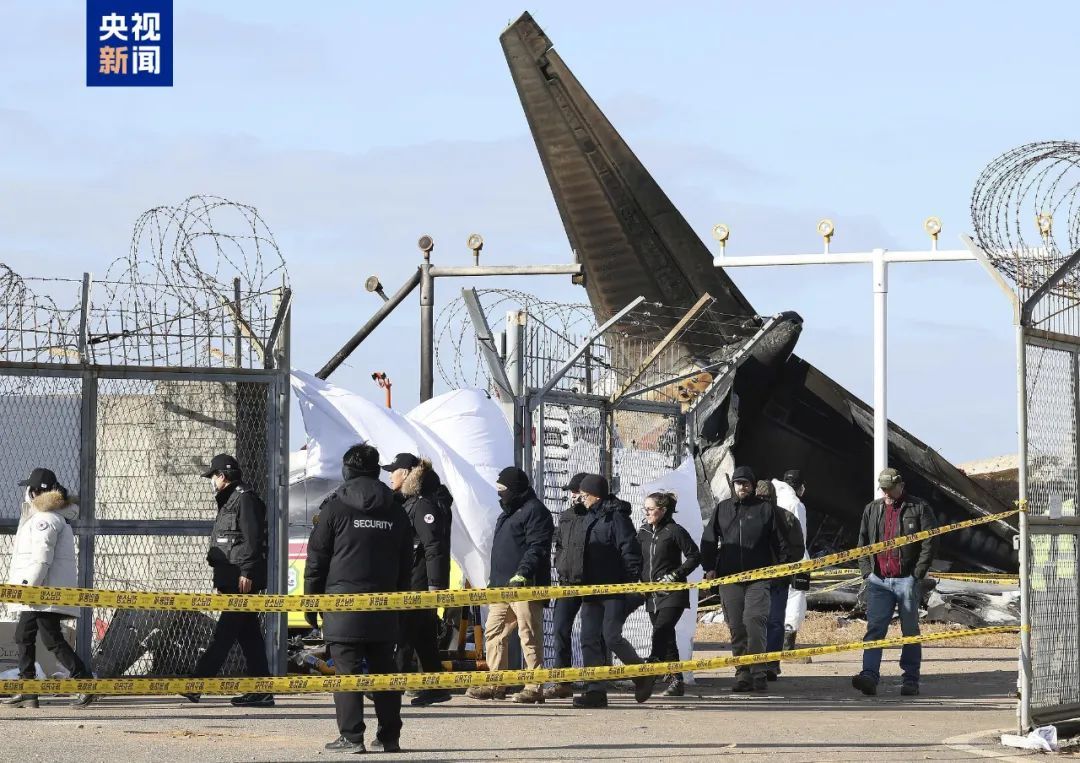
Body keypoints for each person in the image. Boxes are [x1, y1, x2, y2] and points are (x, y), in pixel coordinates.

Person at [306, 443, 413, 754]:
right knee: (385, 670)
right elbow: (407, 561)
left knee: (347, 672)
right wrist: (401, 603)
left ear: (347, 470)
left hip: (342, 606)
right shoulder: (396, 509)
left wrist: (311, 604)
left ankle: (352, 737)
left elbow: (316, 559)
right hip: (384, 605)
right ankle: (390, 736)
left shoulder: (335, 508)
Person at [700, 465, 801, 692]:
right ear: (733, 485)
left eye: (746, 483)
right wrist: (709, 567)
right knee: (736, 626)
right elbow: (708, 540)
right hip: (730, 578)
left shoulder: (766, 510)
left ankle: (758, 671)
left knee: (754, 622)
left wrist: (779, 569)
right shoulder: (722, 509)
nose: (742, 487)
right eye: (738, 483)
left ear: (753, 486)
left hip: (759, 578)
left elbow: (781, 543)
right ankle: (742, 673)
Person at [184, 454, 272, 707]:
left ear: (222, 476)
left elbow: (253, 539)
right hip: (232, 577)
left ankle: (197, 682)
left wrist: (247, 572)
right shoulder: (231, 500)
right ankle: (262, 690)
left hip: (240, 580)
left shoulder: (244, 499)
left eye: (213, 476)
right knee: (249, 637)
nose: (212, 481)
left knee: (223, 635)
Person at [3, 468, 94, 709]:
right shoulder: (47, 516)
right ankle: (28, 689)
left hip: (41, 592)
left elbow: (42, 558)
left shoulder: (45, 519)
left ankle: (84, 682)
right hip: (39, 592)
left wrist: (28, 588)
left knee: (49, 639)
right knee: (26, 636)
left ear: (33, 492)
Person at [466, 467, 554, 704]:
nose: (500, 494)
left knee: (529, 635)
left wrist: (523, 573)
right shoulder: (508, 512)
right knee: (493, 632)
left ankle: (534, 686)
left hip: (524, 586)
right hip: (501, 587)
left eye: (503, 490)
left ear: (515, 489)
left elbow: (538, 546)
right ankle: (496, 683)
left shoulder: (536, 511)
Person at [852, 467, 935, 698]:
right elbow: (863, 542)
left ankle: (910, 679)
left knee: (910, 631)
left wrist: (917, 573)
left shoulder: (919, 508)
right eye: (883, 489)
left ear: (901, 485)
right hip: (879, 581)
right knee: (874, 629)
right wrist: (867, 572)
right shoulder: (872, 509)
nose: (886, 493)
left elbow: (930, 542)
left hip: (906, 580)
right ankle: (869, 675)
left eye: (890, 488)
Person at [573, 474, 654, 709]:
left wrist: (627, 583)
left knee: (611, 636)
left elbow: (630, 549)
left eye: (585, 495)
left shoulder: (617, 518)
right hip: (590, 588)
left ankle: (642, 675)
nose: (582, 499)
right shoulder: (586, 517)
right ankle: (595, 690)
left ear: (595, 495)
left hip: (613, 589)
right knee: (588, 638)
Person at [384, 452, 453, 707]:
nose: (390, 476)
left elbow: (433, 545)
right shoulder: (413, 500)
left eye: (394, 471)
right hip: (414, 576)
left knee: (404, 632)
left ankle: (392, 686)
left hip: (420, 580)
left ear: (406, 473)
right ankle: (435, 686)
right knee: (422, 634)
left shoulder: (423, 503)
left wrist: (435, 586)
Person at [637, 491, 700, 698]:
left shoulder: (674, 531)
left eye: (650, 509)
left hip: (673, 593)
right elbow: (637, 560)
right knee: (667, 636)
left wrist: (675, 575)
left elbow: (694, 556)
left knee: (662, 630)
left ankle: (652, 669)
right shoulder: (643, 532)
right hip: (651, 594)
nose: (646, 512)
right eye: (645, 509)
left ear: (663, 510)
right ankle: (676, 680)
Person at [546, 472, 590, 700]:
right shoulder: (565, 516)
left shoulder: (595, 516)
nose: (572, 497)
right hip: (567, 583)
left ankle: (596, 681)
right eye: (571, 493)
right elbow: (561, 544)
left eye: (575, 492)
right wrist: (559, 563)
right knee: (560, 630)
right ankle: (563, 682)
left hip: (591, 583)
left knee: (592, 635)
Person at [759, 477, 808, 681]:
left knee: (770, 620)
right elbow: (800, 542)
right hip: (770, 577)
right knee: (775, 620)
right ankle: (767, 662)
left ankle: (768, 663)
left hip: (776, 577)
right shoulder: (795, 506)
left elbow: (796, 544)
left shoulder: (785, 514)